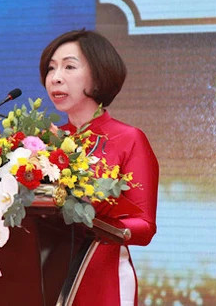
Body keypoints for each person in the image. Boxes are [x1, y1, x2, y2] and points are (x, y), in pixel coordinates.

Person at [39, 29, 159, 306]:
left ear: (99, 74)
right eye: (51, 68)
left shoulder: (129, 139)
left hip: (104, 282)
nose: (55, 77)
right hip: (46, 280)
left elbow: (144, 226)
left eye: (69, 67)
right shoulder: (44, 144)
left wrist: (95, 212)